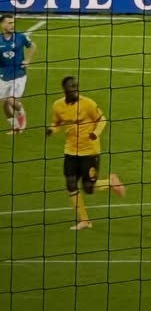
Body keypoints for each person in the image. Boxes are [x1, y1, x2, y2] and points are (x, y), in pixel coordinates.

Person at [46, 76, 126, 230]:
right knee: (71, 184)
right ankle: (85, 220)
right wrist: (52, 130)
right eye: (71, 87)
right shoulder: (57, 105)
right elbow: (57, 123)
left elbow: (102, 119)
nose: (74, 90)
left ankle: (110, 182)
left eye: (76, 86)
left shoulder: (88, 104)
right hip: (70, 151)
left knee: (89, 187)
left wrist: (96, 133)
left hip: (90, 152)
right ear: (65, 89)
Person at [0, 12, 35, 134]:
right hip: (4, 76)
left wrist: (28, 60)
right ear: (2, 25)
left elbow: (33, 46)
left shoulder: (20, 37)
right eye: (9, 23)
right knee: (5, 104)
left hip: (19, 74)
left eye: (13, 22)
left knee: (11, 101)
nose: (12, 25)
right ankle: (15, 127)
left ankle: (21, 113)